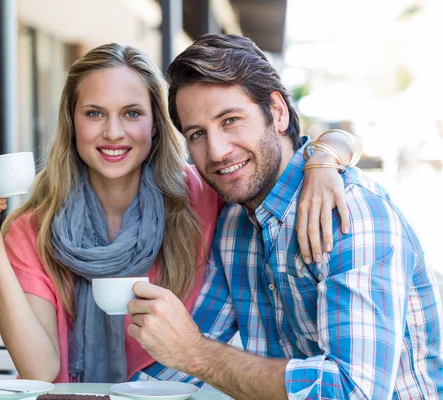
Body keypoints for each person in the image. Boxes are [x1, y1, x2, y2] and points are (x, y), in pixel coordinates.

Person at [0, 43, 358, 384]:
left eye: (132, 113)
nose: (113, 132)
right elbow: (40, 371)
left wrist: (324, 160)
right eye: (94, 113)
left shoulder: (201, 193)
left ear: (157, 125)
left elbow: (275, 155)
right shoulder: (33, 228)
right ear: (72, 123)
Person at [128, 34, 443, 399]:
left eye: (230, 120)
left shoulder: (352, 213)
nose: (216, 151)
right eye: (197, 134)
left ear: (277, 112)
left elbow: (354, 391)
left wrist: (197, 355)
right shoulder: (234, 225)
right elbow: (190, 347)